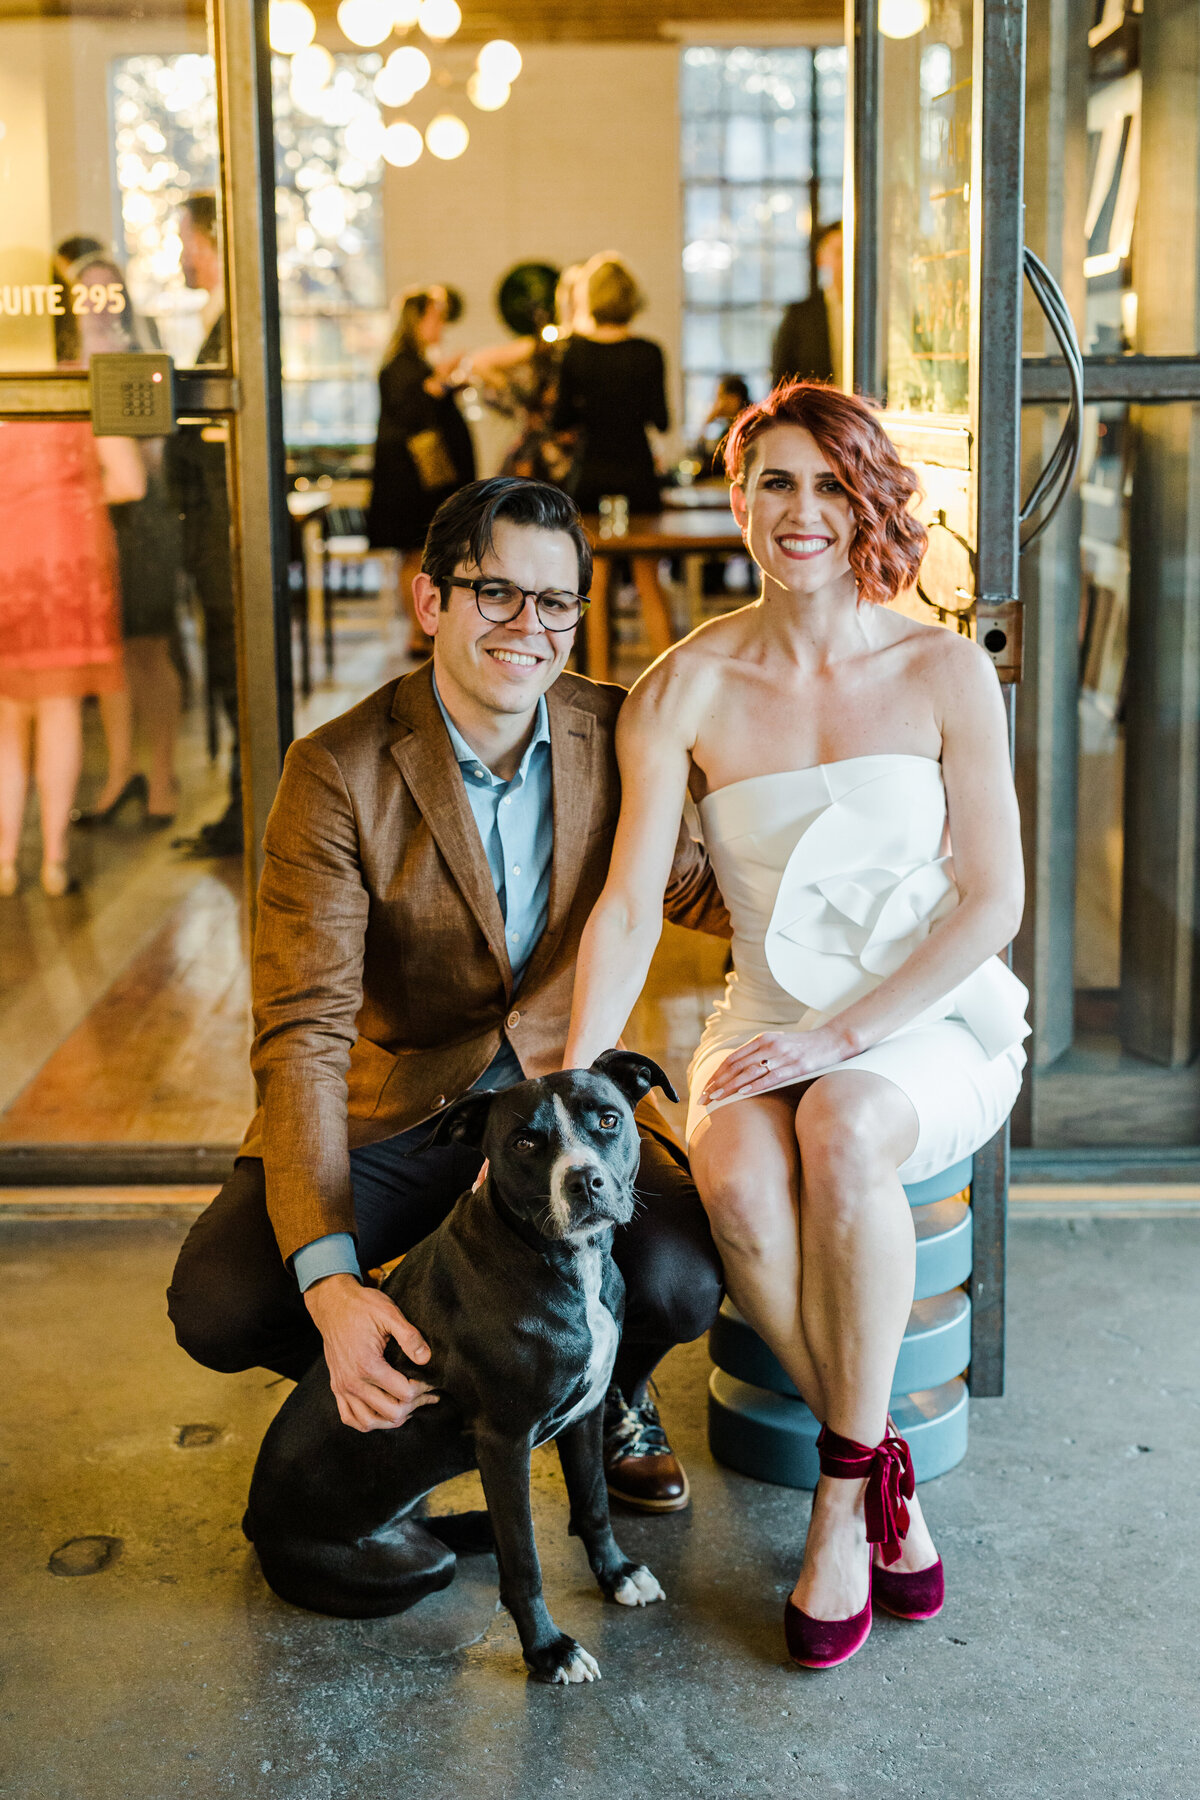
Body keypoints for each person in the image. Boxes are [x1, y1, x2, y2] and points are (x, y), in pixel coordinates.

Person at [563, 381, 1030, 1667]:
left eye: (832, 485)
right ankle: (890, 1473)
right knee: (737, 1181)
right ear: (740, 499)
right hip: (768, 1011)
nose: (802, 511)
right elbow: (625, 913)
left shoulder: (942, 669)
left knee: (843, 1124)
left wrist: (839, 1044)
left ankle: (840, 1500)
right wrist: (569, 1080)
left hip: (933, 1014)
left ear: (870, 501)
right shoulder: (687, 686)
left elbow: (994, 900)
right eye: (776, 482)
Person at [167, 475, 730, 1516]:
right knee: (222, 1299)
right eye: (497, 594)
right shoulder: (336, 772)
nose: (531, 627)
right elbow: (303, 1034)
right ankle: (420, 1399)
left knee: (683, 1280)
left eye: (556, 601)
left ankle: (609, 1396)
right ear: (432, 603)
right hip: (406, 1113)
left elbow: (701, 888)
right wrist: (336, 1288)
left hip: (555, 1109)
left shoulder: (618, 738)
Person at [0, 265, 146, 897]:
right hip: (67, 560)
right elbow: (131, 482)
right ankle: (54, 860)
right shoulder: (84, 384)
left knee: (6, 718)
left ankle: (3, 861)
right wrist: (71, 496)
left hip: (5, 556)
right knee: (59, 712)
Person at [60, 248, 183, 828]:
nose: (98, 305)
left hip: (140, 523)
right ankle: (120, 773)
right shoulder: (57, 363)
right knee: (109, 659)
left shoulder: (139, 361)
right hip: (83, 525)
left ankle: (162, 776)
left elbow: (151, 462)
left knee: (149, 652)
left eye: (108, 293)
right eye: (86, 293)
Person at [167, 192, 242, 856]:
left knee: (233, 664)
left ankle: (248, 806)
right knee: (225, 664)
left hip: (226, 533)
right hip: (213, 532)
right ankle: (243, 804)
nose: (179, 254)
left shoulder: (237, 326)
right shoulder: (221, 320)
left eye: (185, 240)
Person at [552, 254, 674, 660]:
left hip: (592, 473)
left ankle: (598, 682)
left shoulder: (576, 353)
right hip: (636, 473)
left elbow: (561, 419)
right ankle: (670, 684)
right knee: (648, 580)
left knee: (596, 582)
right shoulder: (648, 352)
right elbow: (661, 419)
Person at [366, 285, 477, 656]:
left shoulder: (417, 365)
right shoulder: (399, 367)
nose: (441, 324)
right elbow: (410, 418)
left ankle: (427, 630)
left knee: (425, 554)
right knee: (413, 554)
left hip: (423, 482)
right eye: (436, 316)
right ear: (418, 319)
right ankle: (418, 632)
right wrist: (436, 385)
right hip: (408, 482)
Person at [772, 222, 844, 389]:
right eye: (839, 253)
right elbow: (781, 384)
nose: (847, 261)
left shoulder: (872, 313)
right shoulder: (799, 316)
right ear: (821, 258)